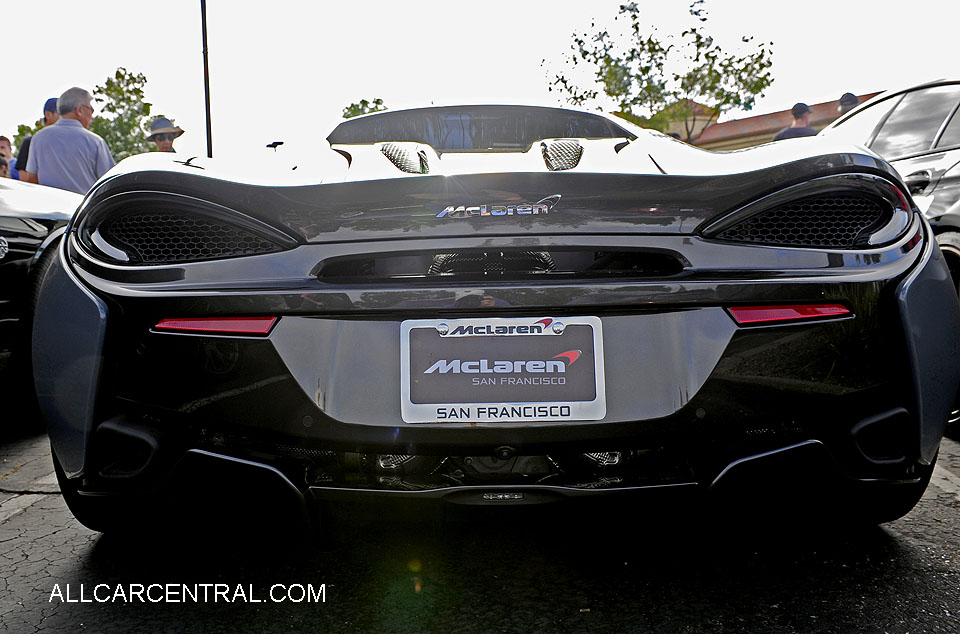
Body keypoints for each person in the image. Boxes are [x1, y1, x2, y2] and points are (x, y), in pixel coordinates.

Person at [20, 87, 115, 194]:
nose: (92, 116)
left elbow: (31, 179)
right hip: (83, 208)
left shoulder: (38, 138)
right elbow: (109, 183)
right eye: (91, 110)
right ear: (79, 110)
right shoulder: (95, 142)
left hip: (47, 206)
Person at [14, 98, 60, 181]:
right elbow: (24, 179)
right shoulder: (30, 142)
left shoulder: (67, 143)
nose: (65, 118)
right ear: (48, 114)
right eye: (60, 113)